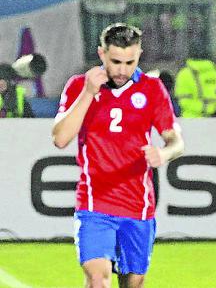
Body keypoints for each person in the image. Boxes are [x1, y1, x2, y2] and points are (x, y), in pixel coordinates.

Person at [51, 23, 184, 288]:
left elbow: (176, 141)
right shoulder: (80, 85)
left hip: (138, 206)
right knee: (98, 279)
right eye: (116, 61)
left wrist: (164, 152)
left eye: (130, 62)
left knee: (133, 282)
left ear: (139, 55)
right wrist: (89, 93)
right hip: (94, 203)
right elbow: (60, 138)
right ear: (102, 54)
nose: (123, 70)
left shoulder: (152, 88)